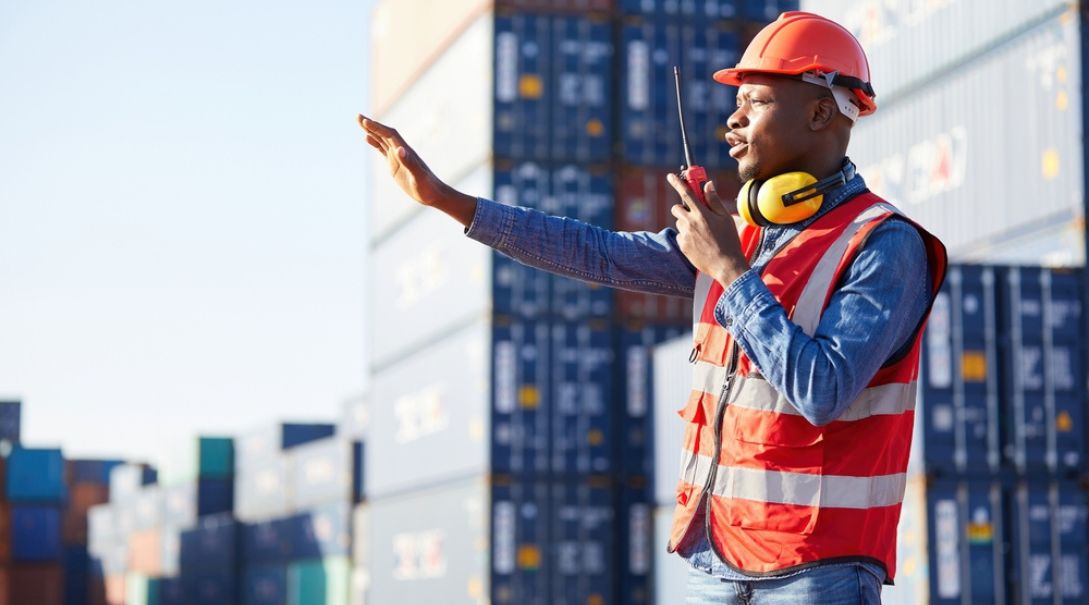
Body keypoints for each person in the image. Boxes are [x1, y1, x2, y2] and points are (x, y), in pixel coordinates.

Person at [360, 11, 946, 605]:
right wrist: (449, 201)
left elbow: (823, 389)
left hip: (817, 572)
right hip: (714, 561)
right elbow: (597, 253)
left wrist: (730, 274)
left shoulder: (884, 245)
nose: (733, 118)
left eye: (757, 101)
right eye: (736, 101)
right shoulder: (737, 235)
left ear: (822, 113)